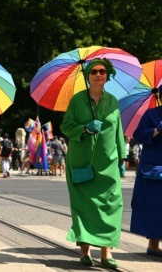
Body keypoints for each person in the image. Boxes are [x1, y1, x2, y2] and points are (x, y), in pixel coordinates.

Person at [60, 58, 126, 269]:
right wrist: (84, 129)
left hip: (109, 162)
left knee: (112, 206)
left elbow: (118, 131)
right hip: (82, 161)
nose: (99, 75)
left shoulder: (113, 101)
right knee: (85, 207)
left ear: (107, 76)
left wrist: (122, 158)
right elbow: (66, 126)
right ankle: (85, 252)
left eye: (102, 71)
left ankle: (106, 254)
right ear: (87, 77)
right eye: (94, 72)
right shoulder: (77, 100)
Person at [130, 85, 162, 257]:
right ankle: (153, 245)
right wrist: (156, 131)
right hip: (153, 170)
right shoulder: (151, 114)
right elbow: (138, 135)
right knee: (154, 206)